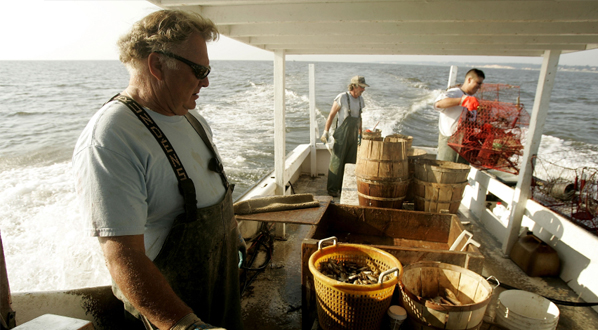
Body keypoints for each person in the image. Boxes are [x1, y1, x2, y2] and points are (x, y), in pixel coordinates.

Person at [72, 10, 244, 330]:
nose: (206, 81)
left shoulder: (194, 120)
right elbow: (123, 257)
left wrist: (234, 236)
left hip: (221, 297)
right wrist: (185, 325)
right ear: (157, 65)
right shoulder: (111, 138)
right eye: (198, 70)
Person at [320, 76, 369, 197]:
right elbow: (331, 115)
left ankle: (344, 188)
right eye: (362, 87)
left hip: (353, 136)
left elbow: (359, 118)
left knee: (350, 162)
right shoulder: (342, 97)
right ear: (355, 86)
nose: (363, 90)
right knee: (337, 162)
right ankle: (332, 189)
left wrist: (360, 134)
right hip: (342, 135)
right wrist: (325, 132)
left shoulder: (360, 100)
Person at [433, 68, 485, 163]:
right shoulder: (455, 92)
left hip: (466, 145)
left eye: (481, 84)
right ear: (469, 80)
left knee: (461, 174)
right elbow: (438, 104)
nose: (479, 87)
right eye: (478, 83)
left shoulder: (473, 99)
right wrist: (462, 100)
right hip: (449, 142)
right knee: (446, 172)